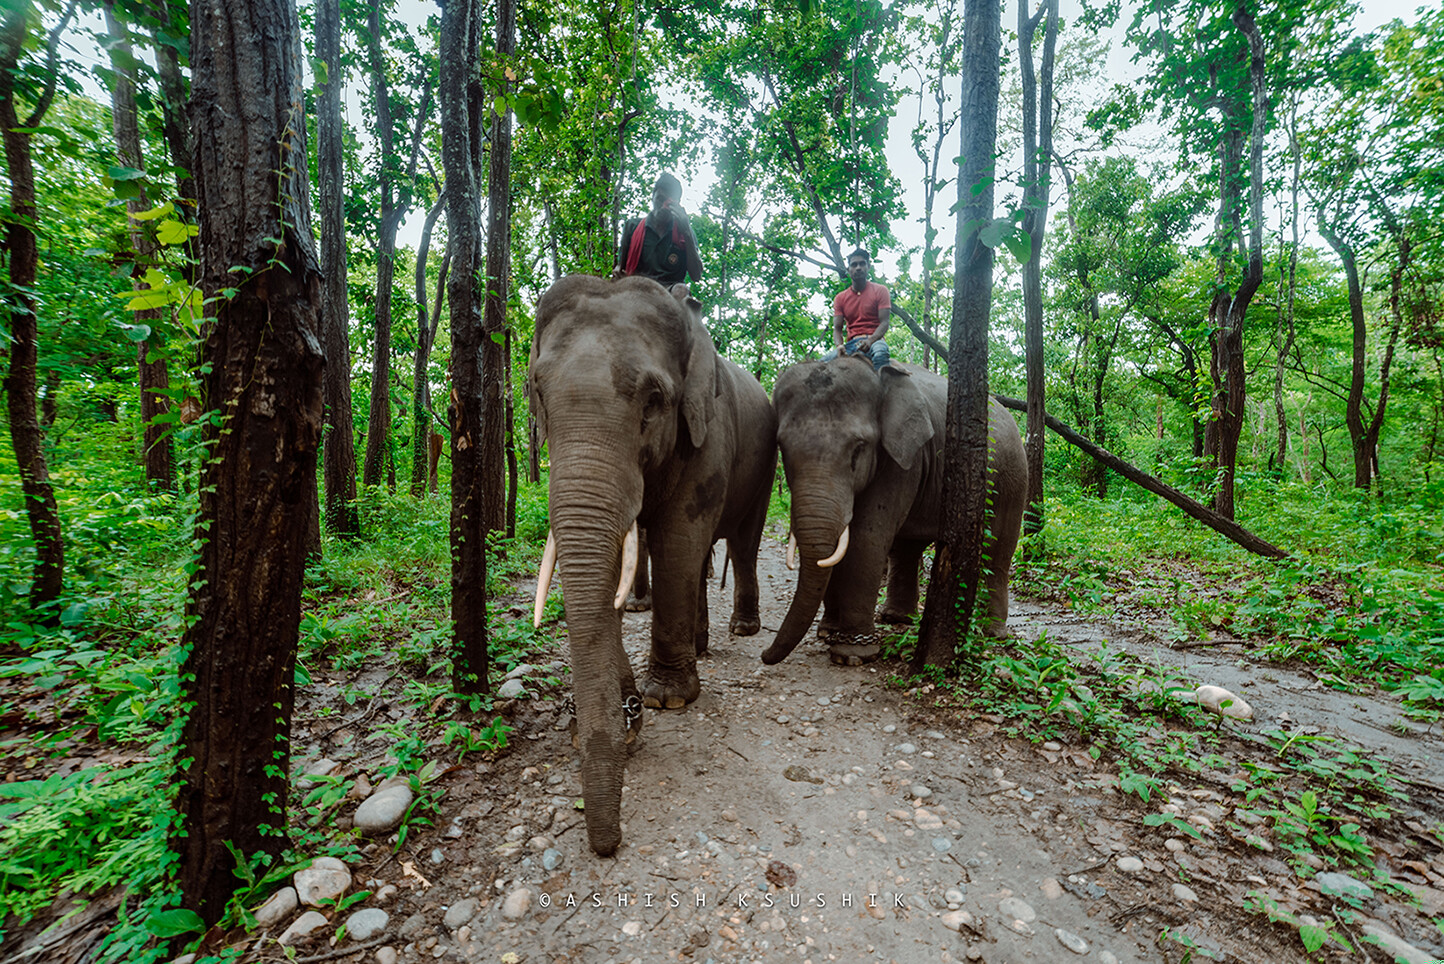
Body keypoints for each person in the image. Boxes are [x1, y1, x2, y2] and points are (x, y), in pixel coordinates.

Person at [617, 173, 704, 287]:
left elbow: (696, 276)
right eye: (660, 199)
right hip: (637, 289)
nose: (663, 207)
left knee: (681, 290)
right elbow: (620, 268)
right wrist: (617, 270)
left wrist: (687, 233)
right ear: (652, 197)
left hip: (671, 292)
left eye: (669, 203)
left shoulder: (684, 233)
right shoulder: (632, 227)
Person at [824, 247, 890, 371]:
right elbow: (837, 328)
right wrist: (839, 346)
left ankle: (885, 387)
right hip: (852, 344)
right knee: (820, 364)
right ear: (849, 270)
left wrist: (870, 341)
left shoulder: (881, 290)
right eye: (854, 265)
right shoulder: (840, 298)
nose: (858, 268)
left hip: (876, 340)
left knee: (881, 354)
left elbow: (885, 322)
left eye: (862, 264)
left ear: (868, 267)